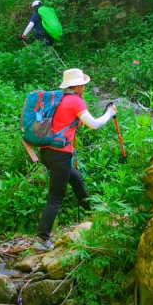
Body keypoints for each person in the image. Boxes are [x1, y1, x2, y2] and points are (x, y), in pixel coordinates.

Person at [35, 68, 117, 250]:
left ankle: (92, 216)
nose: (85, 87)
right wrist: (109, 114)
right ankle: (42, 238)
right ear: (78, 85)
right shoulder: (74, 101)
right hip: (59, 155)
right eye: (84, 85)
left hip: (48, 152)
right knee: (56, 197)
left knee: (76, 178)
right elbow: (95, 124)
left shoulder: (62, 100)